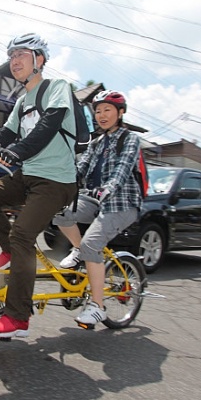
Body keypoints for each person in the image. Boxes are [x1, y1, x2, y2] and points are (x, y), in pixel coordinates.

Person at [0, 33, 78, 339]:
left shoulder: (56, 88)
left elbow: (48, 127)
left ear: (39, 60)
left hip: (57, 179)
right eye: (11, 56)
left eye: (22, 54)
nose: (14, 61)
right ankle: (10, 250)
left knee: (22, 233)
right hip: (28, 175)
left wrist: (18, 151)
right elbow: (3, 137)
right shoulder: (21, 101)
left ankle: (18, 317)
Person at [51, 90, 143, 327]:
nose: (101, 115)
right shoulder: (97, 142)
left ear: (120, 112)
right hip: (95, 199)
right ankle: (80, 250)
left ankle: (98, 306)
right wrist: (58, 182)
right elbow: (80, 169)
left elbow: (123, 169)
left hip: (122, 203)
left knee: (92, 244)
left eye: (107, 110)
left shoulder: (130, 138)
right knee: (59, 211)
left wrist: (109, 187)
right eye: (98, 111)